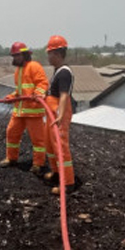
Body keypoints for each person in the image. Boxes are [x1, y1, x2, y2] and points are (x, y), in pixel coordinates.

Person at [0, 42, 49, 174]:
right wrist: (12, 96)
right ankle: (11, 158)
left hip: (33, 112)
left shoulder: (34, 66)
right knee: (11, 133)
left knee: (38, 139)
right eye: (13, 56)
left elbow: (43, 83)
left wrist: (38, 93)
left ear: (24, 54)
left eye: (17, 55)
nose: (14, 58)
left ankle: (38, 164)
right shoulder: (18, 71)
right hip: (19, 111)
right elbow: (20, 91)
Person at [43, 35, 79, 195]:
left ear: (56, 54)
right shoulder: (57, 72)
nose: (48, 57)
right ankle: (56, 172)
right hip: (51, 113)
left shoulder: (64, 73)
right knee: (50, 145)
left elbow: (64, 96)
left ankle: (67, 184)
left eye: (49, 53)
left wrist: (60, 115)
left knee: (60, 147)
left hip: (59, 114)